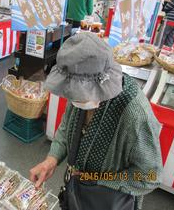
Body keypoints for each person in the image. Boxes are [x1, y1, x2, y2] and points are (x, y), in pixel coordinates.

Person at [30, 33, 163, 210]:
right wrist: (51, 160)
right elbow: (66, 128)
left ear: (101, 83)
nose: (74, 98)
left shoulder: (135, 115)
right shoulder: (79, 93)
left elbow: (150, 176)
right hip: (77, 191)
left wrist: (97, 180)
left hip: (109, 200)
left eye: (80, 92)